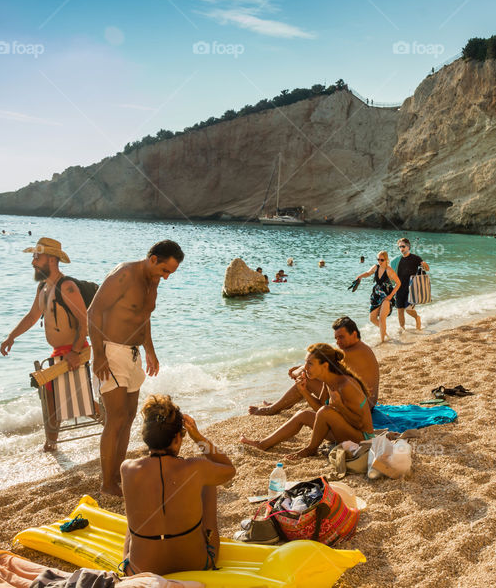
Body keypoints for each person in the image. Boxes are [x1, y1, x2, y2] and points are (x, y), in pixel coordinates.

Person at [88, 240, 184, 496]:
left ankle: (117, 476)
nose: (165, 277)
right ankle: (106, 484)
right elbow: (93, 312)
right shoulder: (124, 274)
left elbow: (144, 317)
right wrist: (98, 355)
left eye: (170, 273)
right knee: (115, 418)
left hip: (132, 354)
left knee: (129, 417)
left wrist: (150, 350)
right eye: (164, 270)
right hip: (111, 351)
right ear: (152, 259)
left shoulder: (152, 281)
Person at [120, 395, 235, 576]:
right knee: (208, 482)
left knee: (133, 520)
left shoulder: (127, 468)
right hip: (197, 564)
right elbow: (229, 469)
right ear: (176, 439)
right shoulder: (196, 467)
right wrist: (198, 438)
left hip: (138, 570)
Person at [0, 237, 89, 452]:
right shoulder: (43, 287)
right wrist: (11, 337)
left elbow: (84, 321)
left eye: (36, 257)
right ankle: (51, 443)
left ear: (50, 259)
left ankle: (109, 426)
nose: (33, 262)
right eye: (33, 257)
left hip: (73, 352)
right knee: (50, 396)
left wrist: (76, 352)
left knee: (75, 401)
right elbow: (32, 316)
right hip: (59, 352)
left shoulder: (67, 287)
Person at [240, 343, 374, 459]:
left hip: (362, 438)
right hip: (342, 431)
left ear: (325, 365)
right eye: (306, 363)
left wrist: (339, 406)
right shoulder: (329, 381)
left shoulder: (347, 385)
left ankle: (311, 449)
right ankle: (263, 444)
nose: (305, 367)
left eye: (310, 363)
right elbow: (320, 410)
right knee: (302, 414)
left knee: (326, 411)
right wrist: (303, 391)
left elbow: (360, 423)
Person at [249, 317, 379, 416]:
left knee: (309, 379)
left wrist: (299, 371)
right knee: (313, 374)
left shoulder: (352, 352)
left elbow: (321, 365)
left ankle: (272, 409)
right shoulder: (359, 348)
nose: (338, 342)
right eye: (336, 338)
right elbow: (323, 363)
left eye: (341, 337)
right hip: (365, 402)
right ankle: (281, 405)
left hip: (364, 406)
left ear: (354, 334)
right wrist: (303, 367)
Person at [354, 251, 401, 343]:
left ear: (386, 259)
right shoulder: (376, 267)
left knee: (382, 318)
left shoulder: (389, 270)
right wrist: (360, 276)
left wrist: (391, 296)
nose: (379, 261)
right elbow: (368, 273)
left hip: (386, 295)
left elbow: (399, 283)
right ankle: (385, 333)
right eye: (378, 259)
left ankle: (382, 340)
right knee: (372, 318)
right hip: (376, 294)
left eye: (382, 260)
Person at [392, 238, 429, 331]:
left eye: (403, 246)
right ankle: (402, 329)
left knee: (408, 309)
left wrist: (424, 264)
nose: (401, 248)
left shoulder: (415, 258)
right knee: (400, 310)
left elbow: (427, 269)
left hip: (411, 288)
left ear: (408, 247)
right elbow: (392, 274)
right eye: (400, 247)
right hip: (399, 288)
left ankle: (417, 318)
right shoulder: (397, 260)